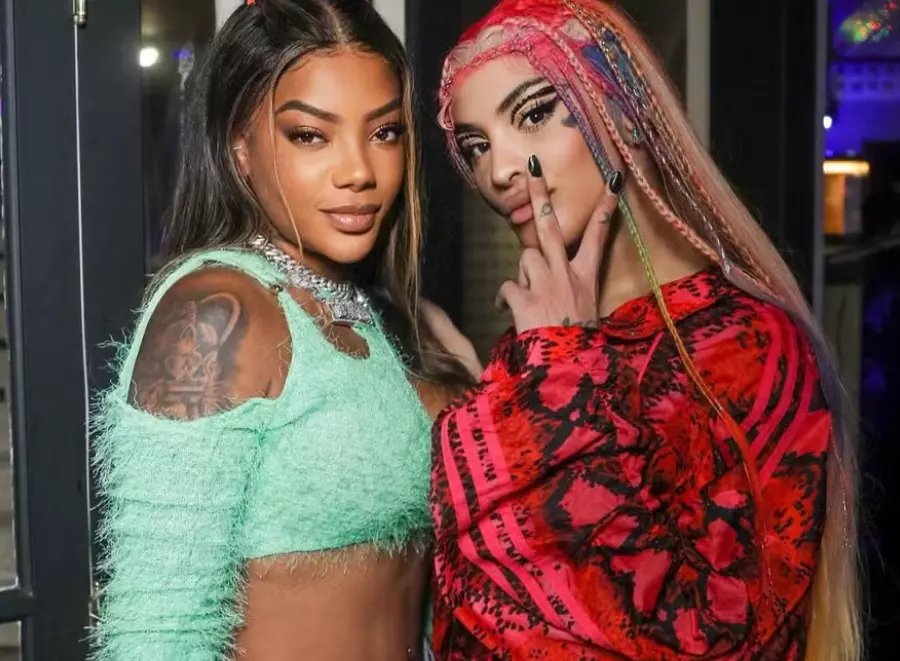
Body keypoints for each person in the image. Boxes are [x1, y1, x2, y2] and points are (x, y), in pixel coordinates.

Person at [430, 0, 860, 659]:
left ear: (624, 107)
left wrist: (557, 373)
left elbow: (716, 634)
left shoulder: (750, 345)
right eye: (477, 147)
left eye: (534, 114)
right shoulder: (540, 345)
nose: (500, 170)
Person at [90, 0, 474, 658]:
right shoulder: (217, 311)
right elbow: (157, 635)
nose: (359, 171)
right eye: (310, 135)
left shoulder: (379, 316)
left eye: (384, 132)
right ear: (239, 145)